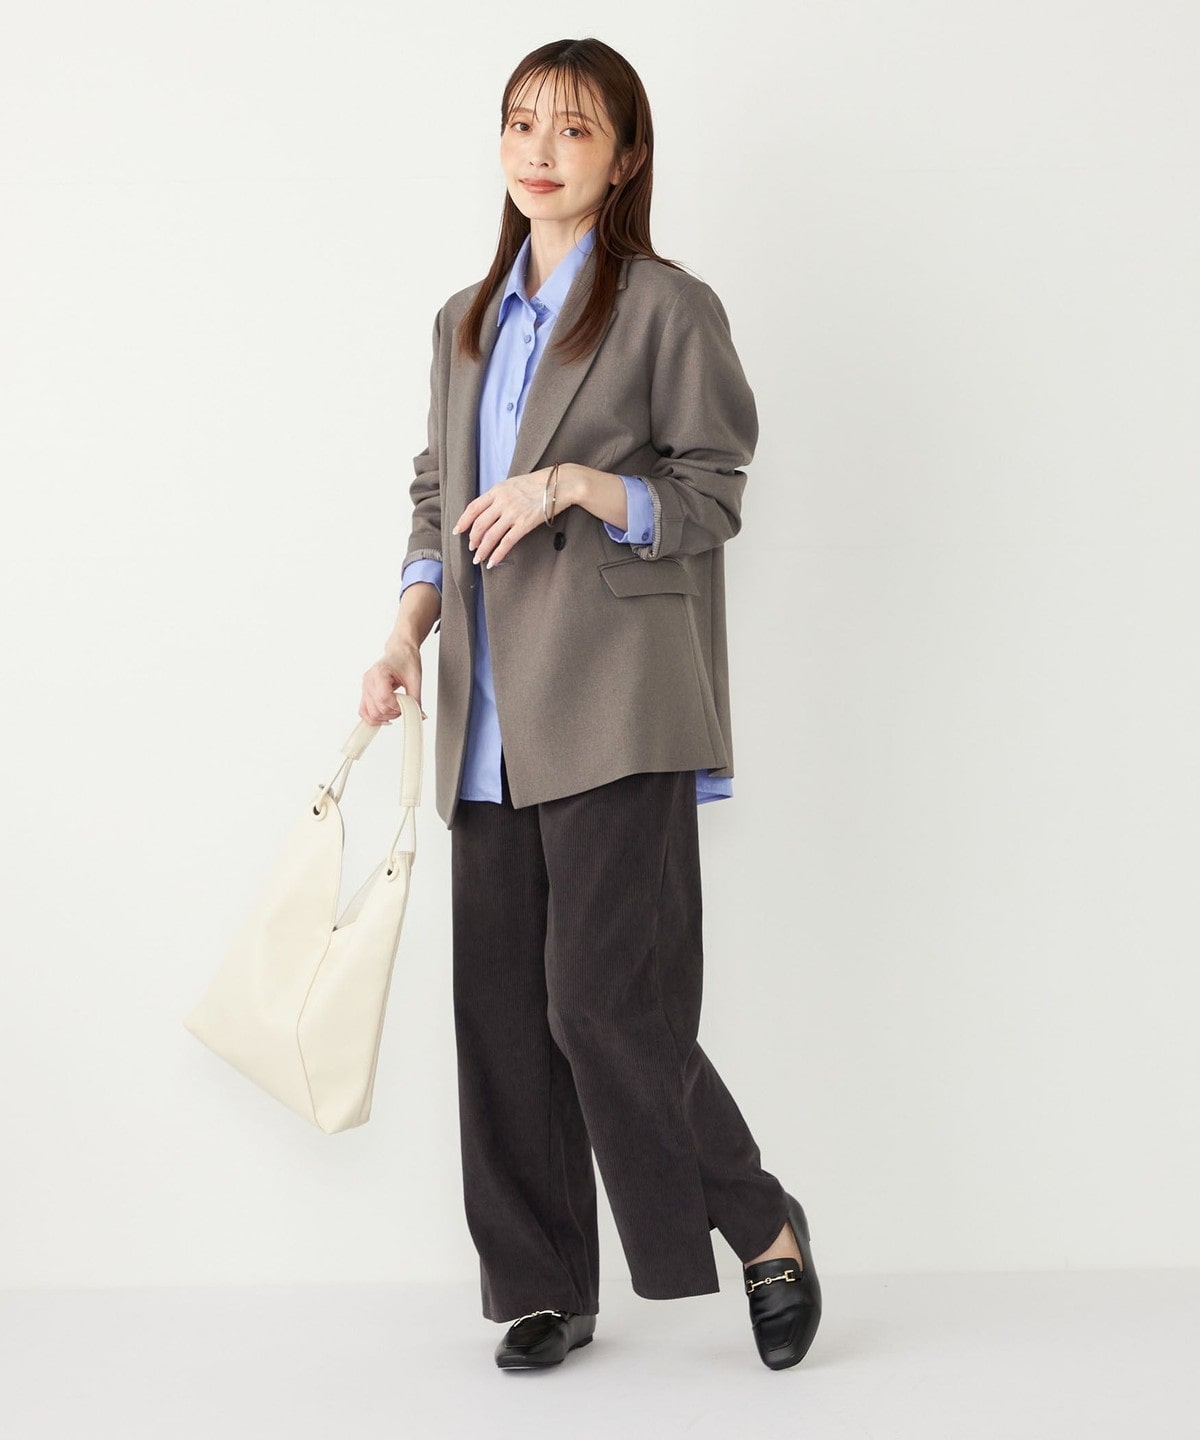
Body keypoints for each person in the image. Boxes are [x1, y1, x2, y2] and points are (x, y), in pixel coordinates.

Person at [359, 36, 821, 1373]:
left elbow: (713, 491)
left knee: (603, 1005)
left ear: (625, 158)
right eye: (521, 123)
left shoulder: (669, 309)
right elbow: (439, 493)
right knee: (503, 1015)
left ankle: (761, 1224)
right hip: (486, 713)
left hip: (617, 700)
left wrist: (572, 485)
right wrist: (404, 630)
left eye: (573, 128)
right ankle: (543, 1283)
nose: (540, 150)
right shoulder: (463, 318)